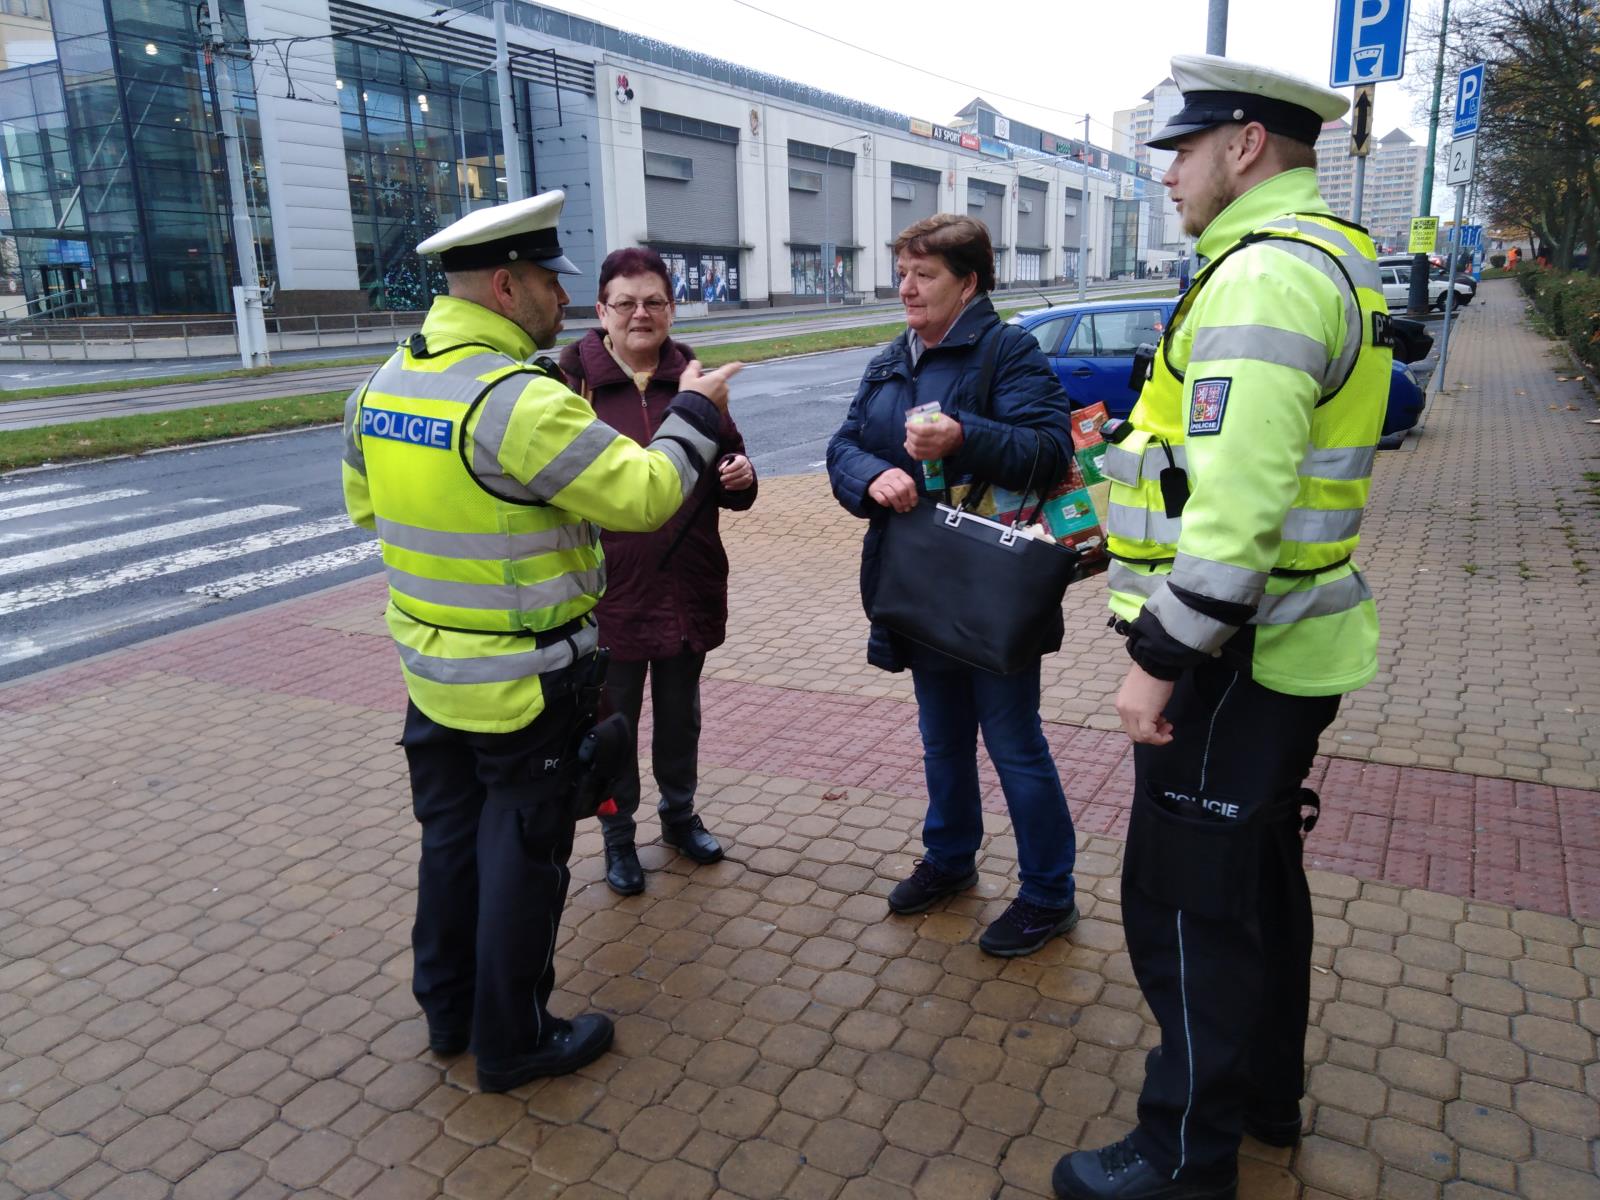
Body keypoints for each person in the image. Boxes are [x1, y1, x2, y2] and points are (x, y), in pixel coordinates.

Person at [1051, 55, 1390, 1200]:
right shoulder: (1323, 258)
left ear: (1244, 146)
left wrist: (1159, 659)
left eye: (1182, 152)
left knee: (1187, 907)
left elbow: (1238, 511)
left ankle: (1180, 1157)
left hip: (1228, 656)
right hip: (1279, 646)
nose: (1167, 176)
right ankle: (1261, 1101)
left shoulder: (1260, 277)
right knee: (1255, 884)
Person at [341, 190, 741, 1094]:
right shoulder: (515, 398)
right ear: (504, 285)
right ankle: (515, 1041)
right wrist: (695, 411)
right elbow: (643, 495)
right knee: (524, 858)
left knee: (450, 845)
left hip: (431, 672)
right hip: (525, 682)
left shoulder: (381, 384)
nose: (561, 298)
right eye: (548, 282)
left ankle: (449, 1011)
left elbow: (369, 507)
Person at [826, 213, 1080, 959]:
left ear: (968, 283)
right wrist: (873, 476)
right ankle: (949, 857)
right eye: (902, 273)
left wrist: (964, 434)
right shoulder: (892, 359)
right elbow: (843, 444)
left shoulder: (1009, 350)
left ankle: (1049, 894)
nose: (907, 288)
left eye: (924, 274)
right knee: (941, 740)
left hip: (992, 587)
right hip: (919, 580)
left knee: (1014, 744)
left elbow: (1049, 450)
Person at [558, 247, 757, 896]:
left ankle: (679, 817)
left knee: (680, 719)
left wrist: (739, 475)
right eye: (626, 303)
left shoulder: (696, 383)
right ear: (601, 311)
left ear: (671, 310)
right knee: (611, 728)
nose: (640, 314)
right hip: (607, 594)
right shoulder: (570, 387)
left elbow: (730, 466)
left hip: (685, 584)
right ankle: (618, 837)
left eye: (654, 302)